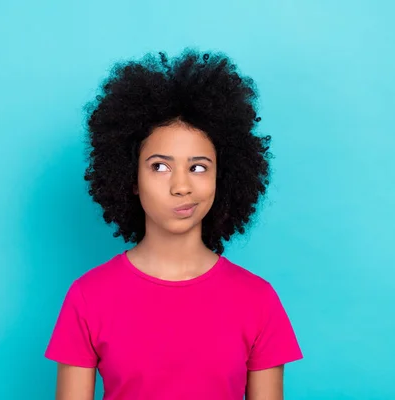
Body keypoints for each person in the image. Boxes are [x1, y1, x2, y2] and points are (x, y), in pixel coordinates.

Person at [44, 49, 303, 400]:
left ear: (222, 178)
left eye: (198, 167)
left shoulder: (258, 301)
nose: (182, 186)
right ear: (130, 177)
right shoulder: (88, 297)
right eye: (160, 167)